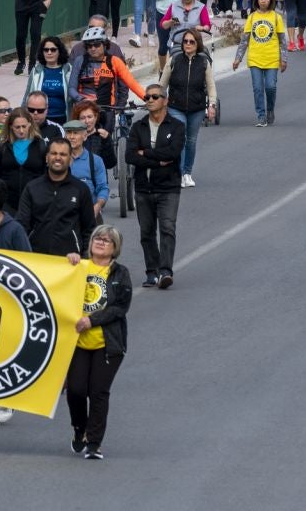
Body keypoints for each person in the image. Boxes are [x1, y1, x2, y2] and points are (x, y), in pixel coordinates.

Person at [66, 225, 132, 460]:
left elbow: (120, 307)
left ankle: (94, 443)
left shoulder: (120, 273)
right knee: (75, 390)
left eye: (107, 240)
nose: (101, 242)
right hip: (77, 343)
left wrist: (91, 321)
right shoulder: (77, 266)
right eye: (97, 238)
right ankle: (79, 428)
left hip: (107, 344)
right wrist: (68, 262)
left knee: (98, 392)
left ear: (115, 248)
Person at [126, 84, 186, 289]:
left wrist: (147, 153)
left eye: (154, 96)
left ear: (165, 100)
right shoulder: (138, 126)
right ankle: (151, 272)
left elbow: (173, 154)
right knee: (147, 232)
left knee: (167, 228)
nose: (149, 100)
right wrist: (157, 160)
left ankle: (165, 271)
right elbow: (130, 156)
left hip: (168, 187)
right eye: (147, 97)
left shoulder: (177, 126)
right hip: (143, 187)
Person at [16, 136, 95, 262]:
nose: (58, 157)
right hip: (36, 259)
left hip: (71, 261)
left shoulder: (81, 189)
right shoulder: (32, 188)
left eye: (63, 154)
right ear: (47, 158)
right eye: (53, 153)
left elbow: (89, 229)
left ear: (70, 159)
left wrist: (85, 257)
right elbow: (21, 225)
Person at [162, 30, 215, 187]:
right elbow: (162, 84)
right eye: (185, 41)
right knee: (181, 137)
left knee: (191, 141)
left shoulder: (204, 63)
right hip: (175, 107)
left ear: (197, 44)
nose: (188, 44)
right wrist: (158, 100)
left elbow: (211, 86)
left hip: (197, 108)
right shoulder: (174, 60)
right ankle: (178, 172)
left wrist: (211, 105)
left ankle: (187, 173)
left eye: (192, 42)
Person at [234, 0, 289, 127]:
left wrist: (284, 59)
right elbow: (244, 40)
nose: (263, 1)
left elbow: (283, 41)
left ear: (271, 0)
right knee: (258, 88)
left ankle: (270, 109)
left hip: (272, 59)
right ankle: (261, 116)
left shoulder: (276, 18)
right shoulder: (252, 17)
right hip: (255, 59)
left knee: (270, 87)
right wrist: (238, 58)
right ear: (257, 0)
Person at [0, 108, 46, 211]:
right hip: (8, 204)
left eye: (24, 126)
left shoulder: (40, 145)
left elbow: (45, 174)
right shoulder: (3, 146)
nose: (21, 130)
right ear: (11, 126)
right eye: (17, 127)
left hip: (34, 202)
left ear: (30, 124)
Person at [62, 120, 109, 218]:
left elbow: (103, 188)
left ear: (85, 136)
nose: (71, 137)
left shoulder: (95, 161)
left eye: (76, 133)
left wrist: (98, 206)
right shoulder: (59, 160)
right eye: (68, 132)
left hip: (89, 212)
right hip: (64, 214)